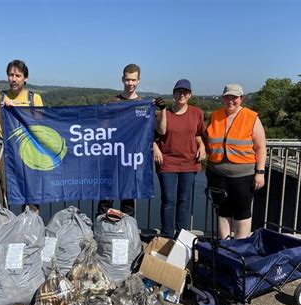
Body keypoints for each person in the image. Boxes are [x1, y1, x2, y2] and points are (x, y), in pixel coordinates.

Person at [205, 83, 267, 239]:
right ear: (223, 98)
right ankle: (224, 245)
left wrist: (260, 172)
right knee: (222, 209)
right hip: (217, 173)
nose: (230, 101)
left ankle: (240, 246)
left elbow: (260, 147)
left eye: (234, 97)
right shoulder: (215, 115)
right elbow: (207, 139)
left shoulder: (251, 117)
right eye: (227, 97)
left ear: (241, 98)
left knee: (242, 210)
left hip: (244, 175)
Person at [0, 59, 43, 210]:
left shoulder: (34, 98)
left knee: (30, 188)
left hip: (27, 148)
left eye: (18, 75)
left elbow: (40, 125)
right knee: (0, 188)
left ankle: (29, 227)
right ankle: (1, 225)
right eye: (11, 75)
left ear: (25, 78)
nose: (13, 79)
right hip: (3, 148)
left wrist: (18, 108)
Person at [154, 79, 206, 239]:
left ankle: (182, 237)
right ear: (174, 93)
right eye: (178, 91)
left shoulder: (197, 113)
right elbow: (153, 135)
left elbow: (198, 134)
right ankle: (166, 237)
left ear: (190, 95)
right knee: (168, 200)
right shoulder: (163, 113)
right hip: (167, 162)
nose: (182, 95)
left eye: (185, 92)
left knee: (184, 200)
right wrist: (155, 149)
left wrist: (202, 146)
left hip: (189, 162)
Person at [96, 63, 142, 218]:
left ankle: (128, 231)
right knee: (106, 197)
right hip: (111, 155)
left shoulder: (142, 104)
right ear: (123, 79)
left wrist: (161, 110)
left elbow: (151, 131)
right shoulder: (113, 102)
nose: (130, 83)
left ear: (138, 80)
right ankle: (101, 228)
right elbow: (103, 128)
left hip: (130, 158)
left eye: (133, 80)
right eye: (128, 80)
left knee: (128, 197)